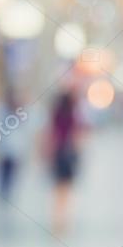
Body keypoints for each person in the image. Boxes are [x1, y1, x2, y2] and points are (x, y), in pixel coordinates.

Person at [44, 89, 83, 234]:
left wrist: (47, 153)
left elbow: (51, 135)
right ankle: (64, 217)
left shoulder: (56, 115)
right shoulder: (73, 116)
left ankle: (57, 217)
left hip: (58, 153)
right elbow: (76, 136)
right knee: (67, 188)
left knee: (57, 188)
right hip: (68, 153)